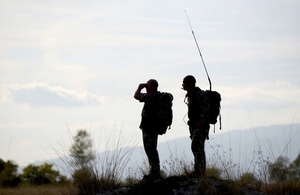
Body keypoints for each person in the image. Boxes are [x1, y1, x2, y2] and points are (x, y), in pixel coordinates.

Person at [182, 75, 210, 178]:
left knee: (196, 146)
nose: (182, 84)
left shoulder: (200, 95)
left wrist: (200, 123)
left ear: (190, 84)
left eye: (184, 82)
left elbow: (206, 110)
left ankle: (200, 172)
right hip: (194, 126)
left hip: (200, 126)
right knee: (197, 147)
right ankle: (198, 171)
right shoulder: (191, 95)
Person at [134, 79, 162, 180]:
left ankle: (155, 173)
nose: (146, 88)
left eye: (147, 86)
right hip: (152, 127)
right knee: (151, 149)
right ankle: (154, 171)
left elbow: (136, 96)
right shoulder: (157, 96)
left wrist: (139, 88)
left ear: (153, 87)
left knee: (150, 149)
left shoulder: (152, 96)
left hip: (150, 127)